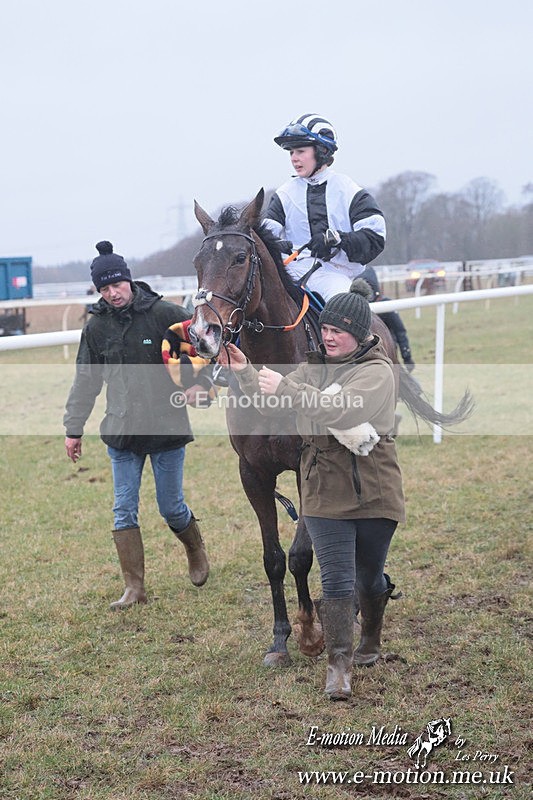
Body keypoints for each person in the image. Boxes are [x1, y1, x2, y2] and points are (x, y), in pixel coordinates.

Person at [217, 282, 405, 701]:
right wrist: (245, 370)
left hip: (374, 493)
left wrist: (285, 388)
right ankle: (339, 664)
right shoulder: (311, 369)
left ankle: (370, 635)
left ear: (362, 333)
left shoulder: (378, 371)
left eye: (339, 330)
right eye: (325, 328)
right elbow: (270, 407)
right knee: (335, 578)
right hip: (322, 492)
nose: (329, 335)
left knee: (369, 578)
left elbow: (342, 409)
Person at [64, 241, 211, 610]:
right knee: (123, 509)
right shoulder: (96, 328)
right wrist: (73, 428)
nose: (112, 293)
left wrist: (201, 386)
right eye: (104, 288)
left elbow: (205, 346)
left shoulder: (164, 314)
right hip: (121, 431)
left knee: (170, 507)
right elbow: (86, 381)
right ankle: (135, 588)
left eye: (117, 285)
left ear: (129, 281)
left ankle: (195, 547)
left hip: (166, 429)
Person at [264, 113, 386, 303]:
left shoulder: (349, 191)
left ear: (321, 151)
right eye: (291, 153)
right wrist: (273, 244)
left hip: (337, 276)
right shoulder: (284, 194)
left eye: (300, 151)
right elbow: (265, 233)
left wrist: (338, 239)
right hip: (293, 272)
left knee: (343, 307)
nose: (294, 159)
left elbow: (375, 236)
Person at [359, 265, 416, 371]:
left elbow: (400, 331)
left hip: (389, 355)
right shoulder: (357, 308)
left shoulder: (386, 305)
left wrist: (407, 356)